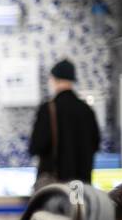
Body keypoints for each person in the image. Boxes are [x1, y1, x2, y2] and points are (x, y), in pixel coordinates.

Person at [28, 59, 100, 189]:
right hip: (80, 185)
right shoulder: (87, 110)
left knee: (54, 209)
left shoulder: (48, 109)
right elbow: (95, 144)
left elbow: (36, 146)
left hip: (54, 185)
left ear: (54, 79)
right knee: (77, 209)